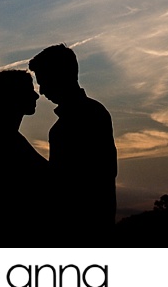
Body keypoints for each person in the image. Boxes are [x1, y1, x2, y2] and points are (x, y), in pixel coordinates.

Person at [29, 44, 117, 243]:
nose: (41, 92)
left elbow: (66, 185)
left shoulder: (83, 119)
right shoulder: (94, 113)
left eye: (43, 82)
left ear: (60, 76)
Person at [0, 69, 50, 243]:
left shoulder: (5, 139)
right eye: (29, 91)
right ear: (14, 96)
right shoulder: (8, 141)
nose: (36, 96)